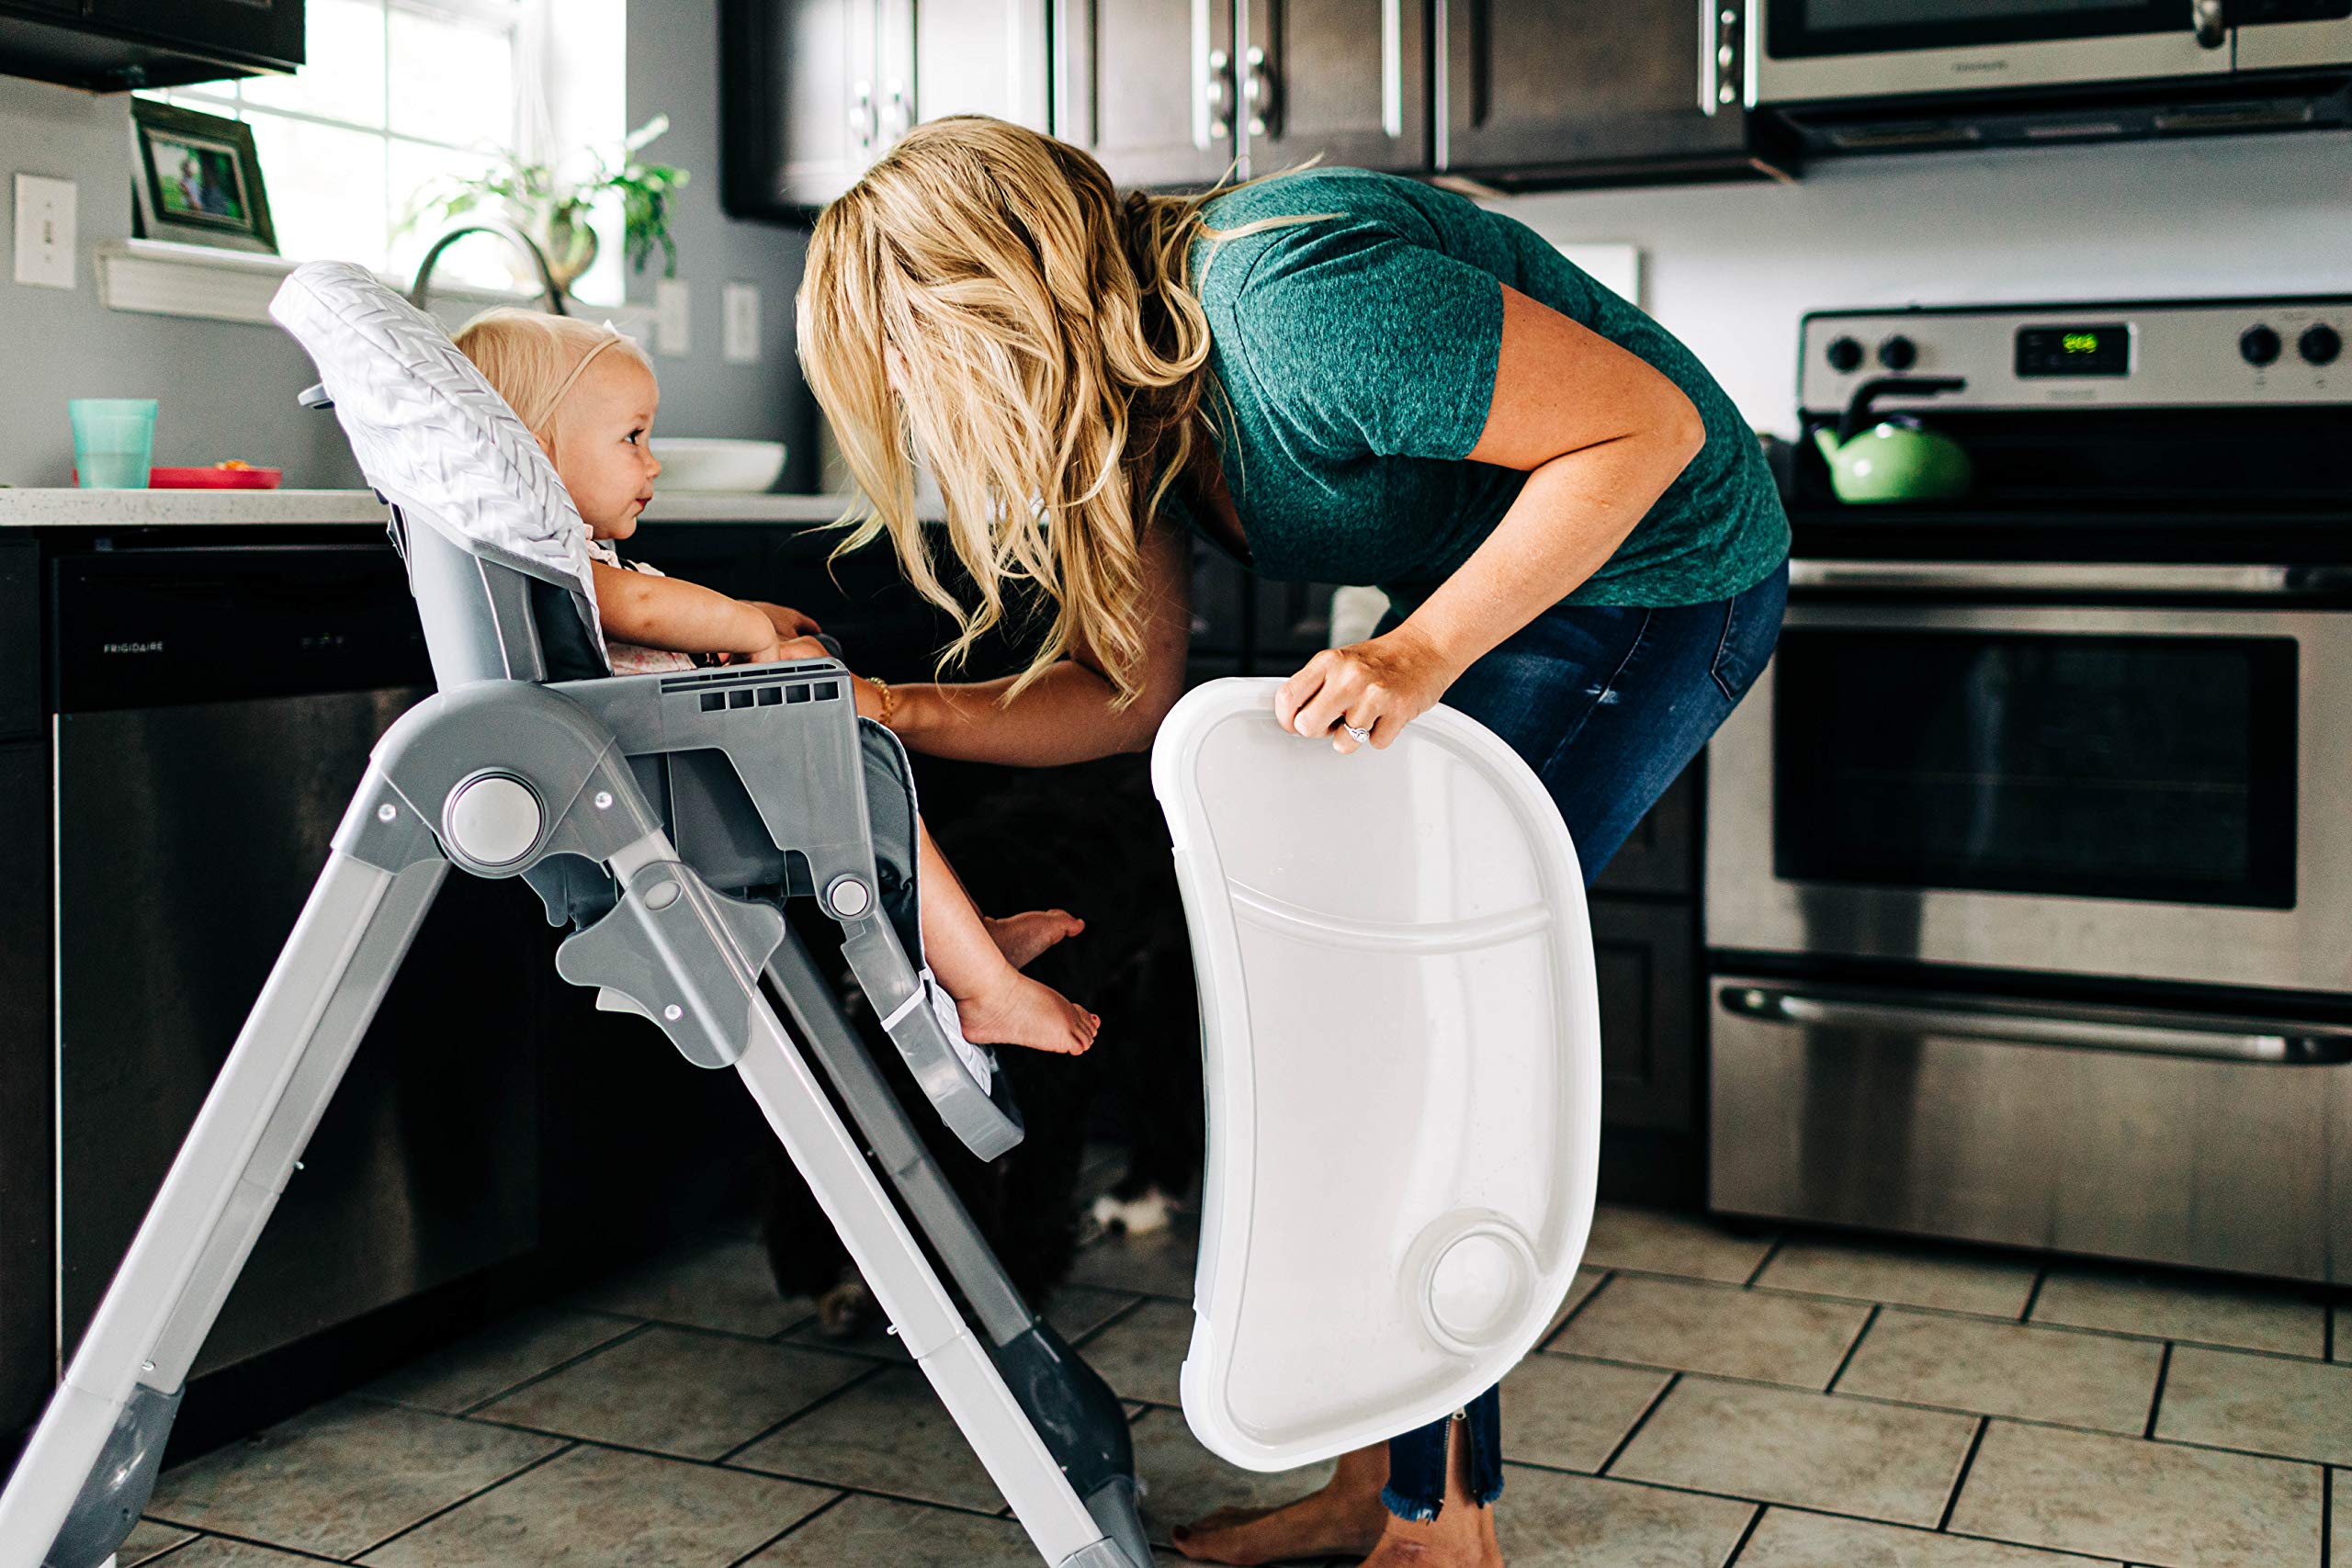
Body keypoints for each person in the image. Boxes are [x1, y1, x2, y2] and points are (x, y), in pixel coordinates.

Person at [795, 117, 1790, 1568]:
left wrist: (1423, 648)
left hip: (1657, 576)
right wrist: (892, 706)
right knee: (1361, 1027)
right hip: (1497, 589)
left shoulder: (1290, 300)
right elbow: (1125, 696)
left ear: (991, 295)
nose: (905, 399)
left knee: (1424, 1029)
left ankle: (1443, 1525)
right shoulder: (1121, 412)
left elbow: (1648, 433)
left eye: (900, 353)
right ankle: (1372, 1483)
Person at [451, 307, 1101, 1064]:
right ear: (538, 449)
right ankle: (982, 983)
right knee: (842, 744)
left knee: (871, 780)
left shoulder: (576, 561)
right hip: (680, 789)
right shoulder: (572, 568)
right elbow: (651, 609)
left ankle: (965, 943)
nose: (651, 462)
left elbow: (659, 616)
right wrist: (754, 633)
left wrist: (750, 618)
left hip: (684, 763)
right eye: (631, 438)